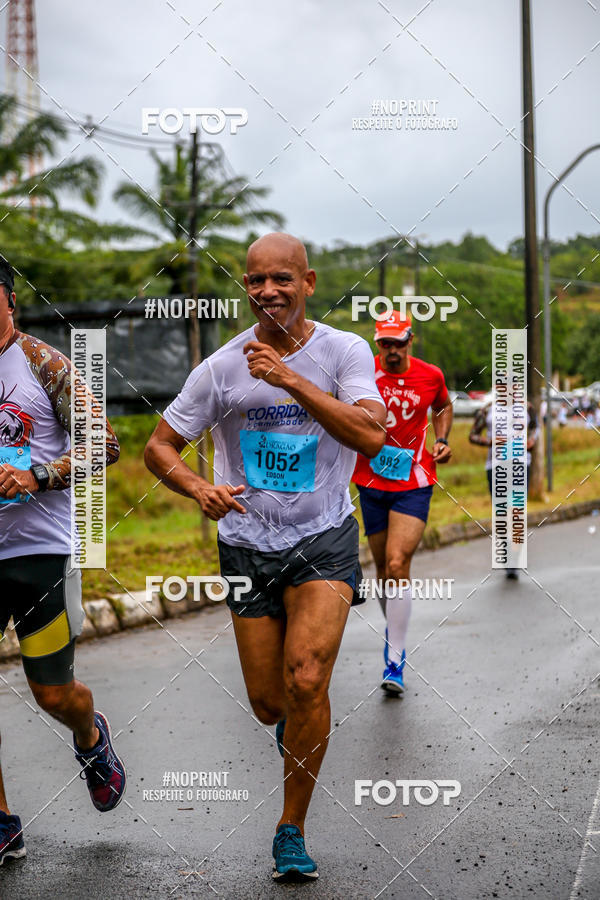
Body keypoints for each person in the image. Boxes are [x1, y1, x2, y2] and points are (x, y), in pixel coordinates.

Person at [144, 233, 386, 882]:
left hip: (324, 541)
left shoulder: (343, 351)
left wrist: (289, 380)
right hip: (248, 546)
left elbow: (370, 432)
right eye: (256, 282)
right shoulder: (221, 368)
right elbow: (158, 447)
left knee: (307, 678)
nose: (268, 292)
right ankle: (295, 728)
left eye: (282, 279)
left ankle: (290, 829)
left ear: (307, 281)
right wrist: (198, 487)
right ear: (246, 288)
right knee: (269, 703)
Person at [0, 256, 126, 866]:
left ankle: (90, 734)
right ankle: (1, 821)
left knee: (52, 695)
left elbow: (105, 443)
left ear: (9, 301)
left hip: (38, 552)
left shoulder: (42, 362)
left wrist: (37, 474)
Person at [352, 311, 453, 694]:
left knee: (397, 562)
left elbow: (442, 406)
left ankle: (395, 657)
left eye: (398, 343)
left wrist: (440, 439)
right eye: (384, 344)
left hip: (414, 479)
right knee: (382, 569)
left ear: (411, 340)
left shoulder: (431, 375)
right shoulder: (364, 374)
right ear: (377, 343)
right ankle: (396, 631)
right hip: (370, 478)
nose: (391, 351)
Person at [469, 397, 539, 580]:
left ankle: (514, 558)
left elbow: (536, 429)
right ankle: (507, 550)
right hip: (496, 466)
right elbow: (473, 435)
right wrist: (491, 442)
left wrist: (530, 442)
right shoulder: (488, 410)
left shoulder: (527, 407)